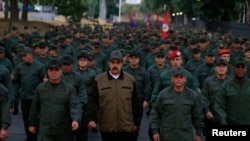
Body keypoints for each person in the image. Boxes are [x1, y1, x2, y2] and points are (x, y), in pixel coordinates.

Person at [86, 50, 140, 141]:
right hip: (107, 127)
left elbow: (135, 104)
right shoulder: (99, 80)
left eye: (118, 62)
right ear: (108, 63)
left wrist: (136, 124)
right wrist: (91, 119)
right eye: (113, 62)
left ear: (122, 63)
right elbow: (92, 102)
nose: (115, 65)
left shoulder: (130, 80)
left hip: (126, 127)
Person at [28, 59, 82, 141]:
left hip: (64, 130)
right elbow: (34, 108)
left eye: (56, 70)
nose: (54, 72)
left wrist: (75, 119)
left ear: (61, 71)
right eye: (51, 70)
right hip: (46, 130)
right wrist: (32, 123)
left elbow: (75, 105)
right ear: (47, 71)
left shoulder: (69, 89)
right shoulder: (40, 88)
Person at [149, 66, 204, 141]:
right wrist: (155, 131)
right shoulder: (163, 94)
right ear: (172, 79)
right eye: (176, 77)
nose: (178, 79)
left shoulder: (192, 95)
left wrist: (199, 133)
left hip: (186, 136)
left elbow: (197, 115)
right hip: (167, 135)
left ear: (185, 79)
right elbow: (155, 113)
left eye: (181, 77)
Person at [14, 47, 46, 141]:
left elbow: (43, 81)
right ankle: (28, 135)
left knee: (37, 117)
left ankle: (36, 135)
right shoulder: (20, 66)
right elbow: (16, 79)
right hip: (24, 96)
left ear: (30, 55)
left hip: (36, 97)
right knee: (26, 117)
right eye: (21, 56)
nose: (22, 58)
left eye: (24, 56)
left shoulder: (40, 66)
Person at [201, 59, 231, 139]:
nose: (221, 68)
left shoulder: (231, 82)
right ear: (215, 68)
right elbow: (204, 97)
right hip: (212, 116)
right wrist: (207, 111)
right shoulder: (208, 81)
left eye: (223, 66)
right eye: (219, 66)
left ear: (227, 69)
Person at [214, 57, 250, 124]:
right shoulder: (226, 86)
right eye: (238, 67)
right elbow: (218, 106)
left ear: (246, 69)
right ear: (234, 69)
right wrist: (224, 121)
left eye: (242, 67)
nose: (240, 69)